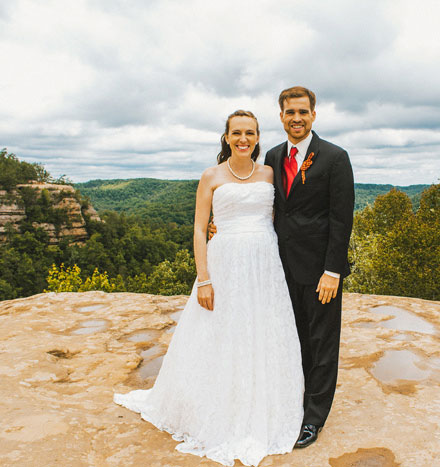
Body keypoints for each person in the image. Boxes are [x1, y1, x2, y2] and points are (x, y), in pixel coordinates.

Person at [114, 110, 304, 467]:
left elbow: (278, 219)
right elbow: (200, 229)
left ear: (258, 136)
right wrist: (204, 278)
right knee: (220, 333)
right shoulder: (211, 176)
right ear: (227, 137)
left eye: (249, 133)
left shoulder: (269, 173)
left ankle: (261, 402)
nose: (243, 139)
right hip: (224, 263)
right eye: (236, 133)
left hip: (264, 265)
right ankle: (215, 407)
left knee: (261, 332)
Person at [264, 86, 354, 448]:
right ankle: (291, 401)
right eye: (290, 112)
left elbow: (341, 218)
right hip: (279, 268)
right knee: (291, 338)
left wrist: (333, 271)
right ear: (281, 116)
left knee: (321, 343)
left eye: (303, 111)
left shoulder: (334, 157)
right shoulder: (271, 156)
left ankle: (313, 419)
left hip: (320, 272)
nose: (296, 118)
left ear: (313, 115)